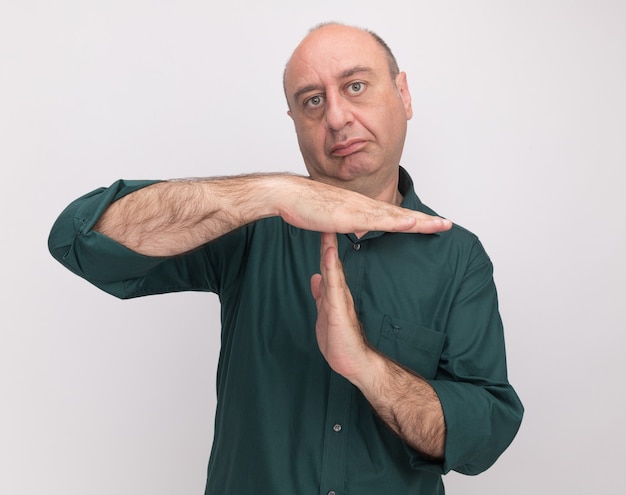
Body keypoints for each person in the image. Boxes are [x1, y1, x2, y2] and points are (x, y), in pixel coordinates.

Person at [48, 22, 523, 495]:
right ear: (295, 120)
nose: (337, 117)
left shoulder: (459, 256)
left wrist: (365, 366)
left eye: (355, 86)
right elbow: (81, 238)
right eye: (312, 101)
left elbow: (483, 437)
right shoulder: (250, 226)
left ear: (403, 94)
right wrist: (270, 191)